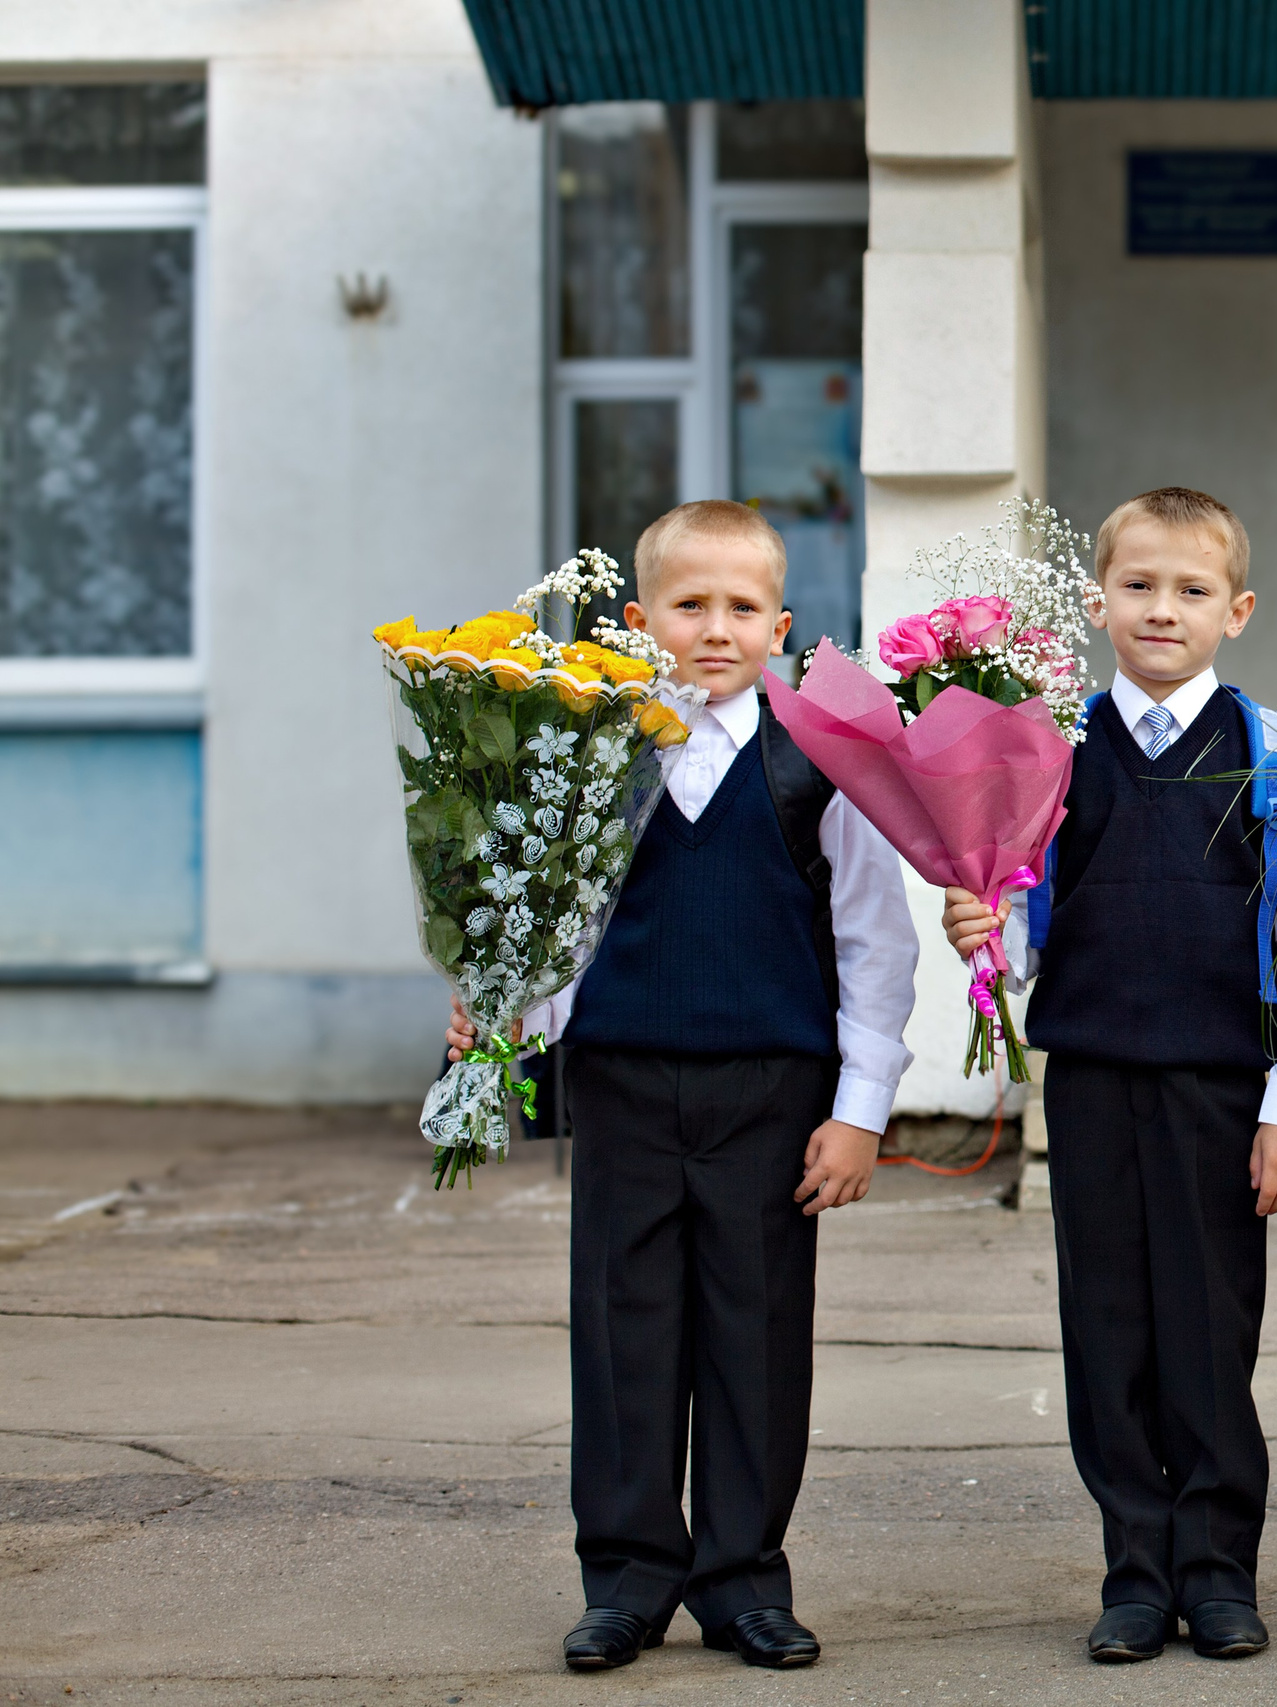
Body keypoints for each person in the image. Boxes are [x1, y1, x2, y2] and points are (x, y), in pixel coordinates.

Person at [445, 499, 919, 1672]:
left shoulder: (821, 761)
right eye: (689, 605)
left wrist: (860, 1109)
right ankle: (627, 1577)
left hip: (772, 1090)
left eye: (742, 608)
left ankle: (744, 1579)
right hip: (621, 1083)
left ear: (784, 626)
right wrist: (499, 1014)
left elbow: (872, 941)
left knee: (756, 1337)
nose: (716, 628)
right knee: (624, 1331)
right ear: (635, 617)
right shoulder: (593, 753)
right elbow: (556, 925)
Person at [941, 487, 1277, 1665]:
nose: (1161, 610)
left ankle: (1218, 1571)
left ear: (1238, 609)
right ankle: (1135, 1569)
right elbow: (1023, 924)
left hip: (1224, 1091)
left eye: (1189, 591)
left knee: (1211, 1333)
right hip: (1090, 1084)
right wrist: (981, 926)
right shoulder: (1047, 756)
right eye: (1138, 586)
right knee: (1109, 1326)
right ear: (1097, 601)